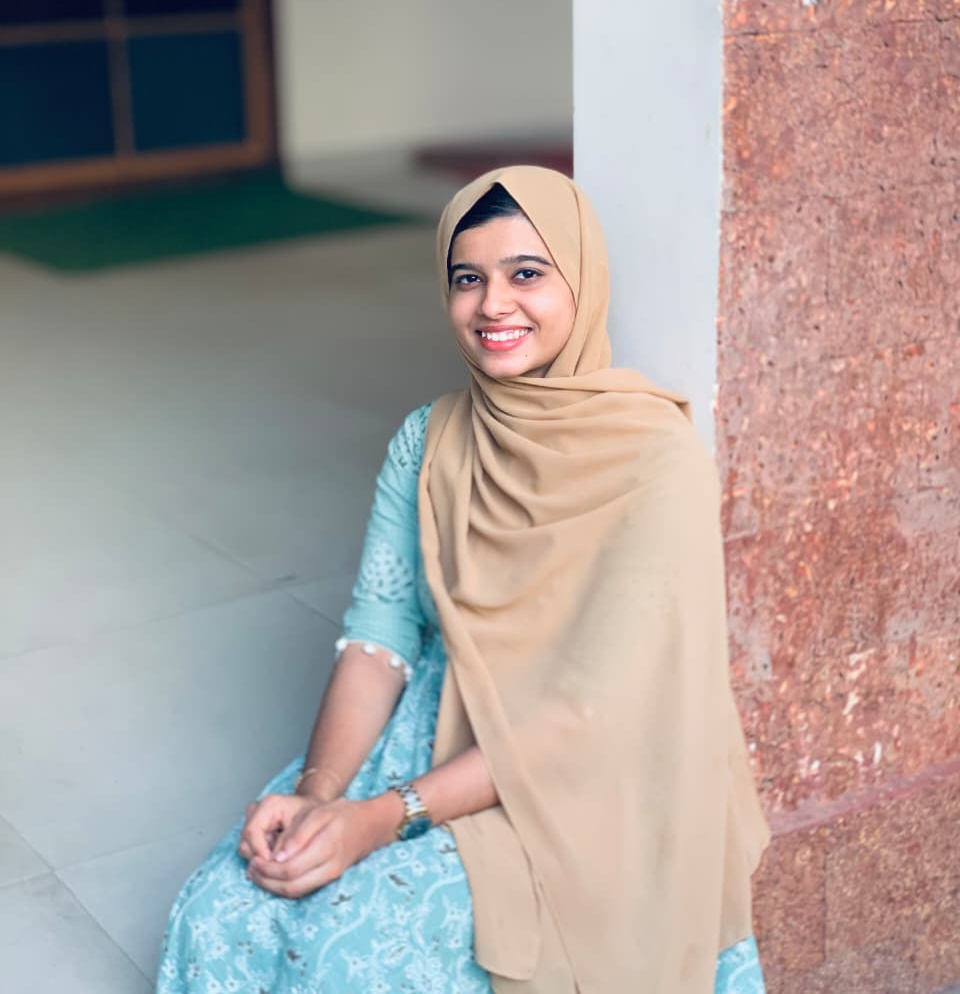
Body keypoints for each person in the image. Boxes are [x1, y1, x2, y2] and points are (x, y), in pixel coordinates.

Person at [157, 165, 770, 994]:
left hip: (596, 781)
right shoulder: (430, 439)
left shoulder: (655, 461)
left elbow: (593, 717)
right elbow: (379, 636)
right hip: (439, 734)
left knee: (351, 940)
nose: (493, 305)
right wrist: (321, 793)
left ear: (581, 281)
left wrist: (379, 821)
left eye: (527, 274)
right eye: (467, 279)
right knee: (225, 911)